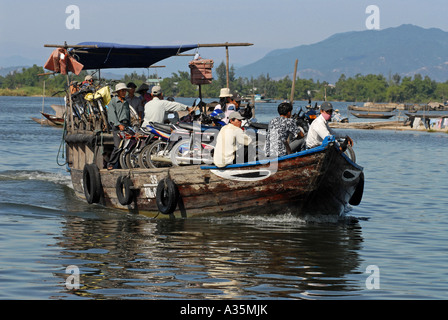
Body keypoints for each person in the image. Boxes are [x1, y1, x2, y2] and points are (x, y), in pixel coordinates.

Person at [106, 83, 131, 170]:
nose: (124, 92)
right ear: (118, 92)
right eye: (122, 91)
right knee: (118, 146)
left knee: (127, 146)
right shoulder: (113, 101)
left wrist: (129, 125)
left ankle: (123, 164)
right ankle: (110, 163)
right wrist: (118, 124)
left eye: (125, 91)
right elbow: (112, 115)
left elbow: (128, 115)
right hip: (117, 126)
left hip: (126, 125)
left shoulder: (126, 102)